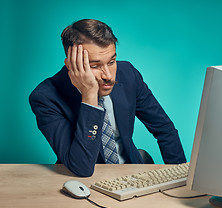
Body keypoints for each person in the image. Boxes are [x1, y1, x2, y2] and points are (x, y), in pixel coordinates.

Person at [29, 19, 186, 177]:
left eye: (111, 62)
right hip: (81, 180)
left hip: (130, 174)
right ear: (71, 65)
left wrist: (179, 179)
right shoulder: (45, 97)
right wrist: (89, 94)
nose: (109, 76)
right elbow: (81, 167)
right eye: (95, 66)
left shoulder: (128, 74)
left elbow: (165, 130)